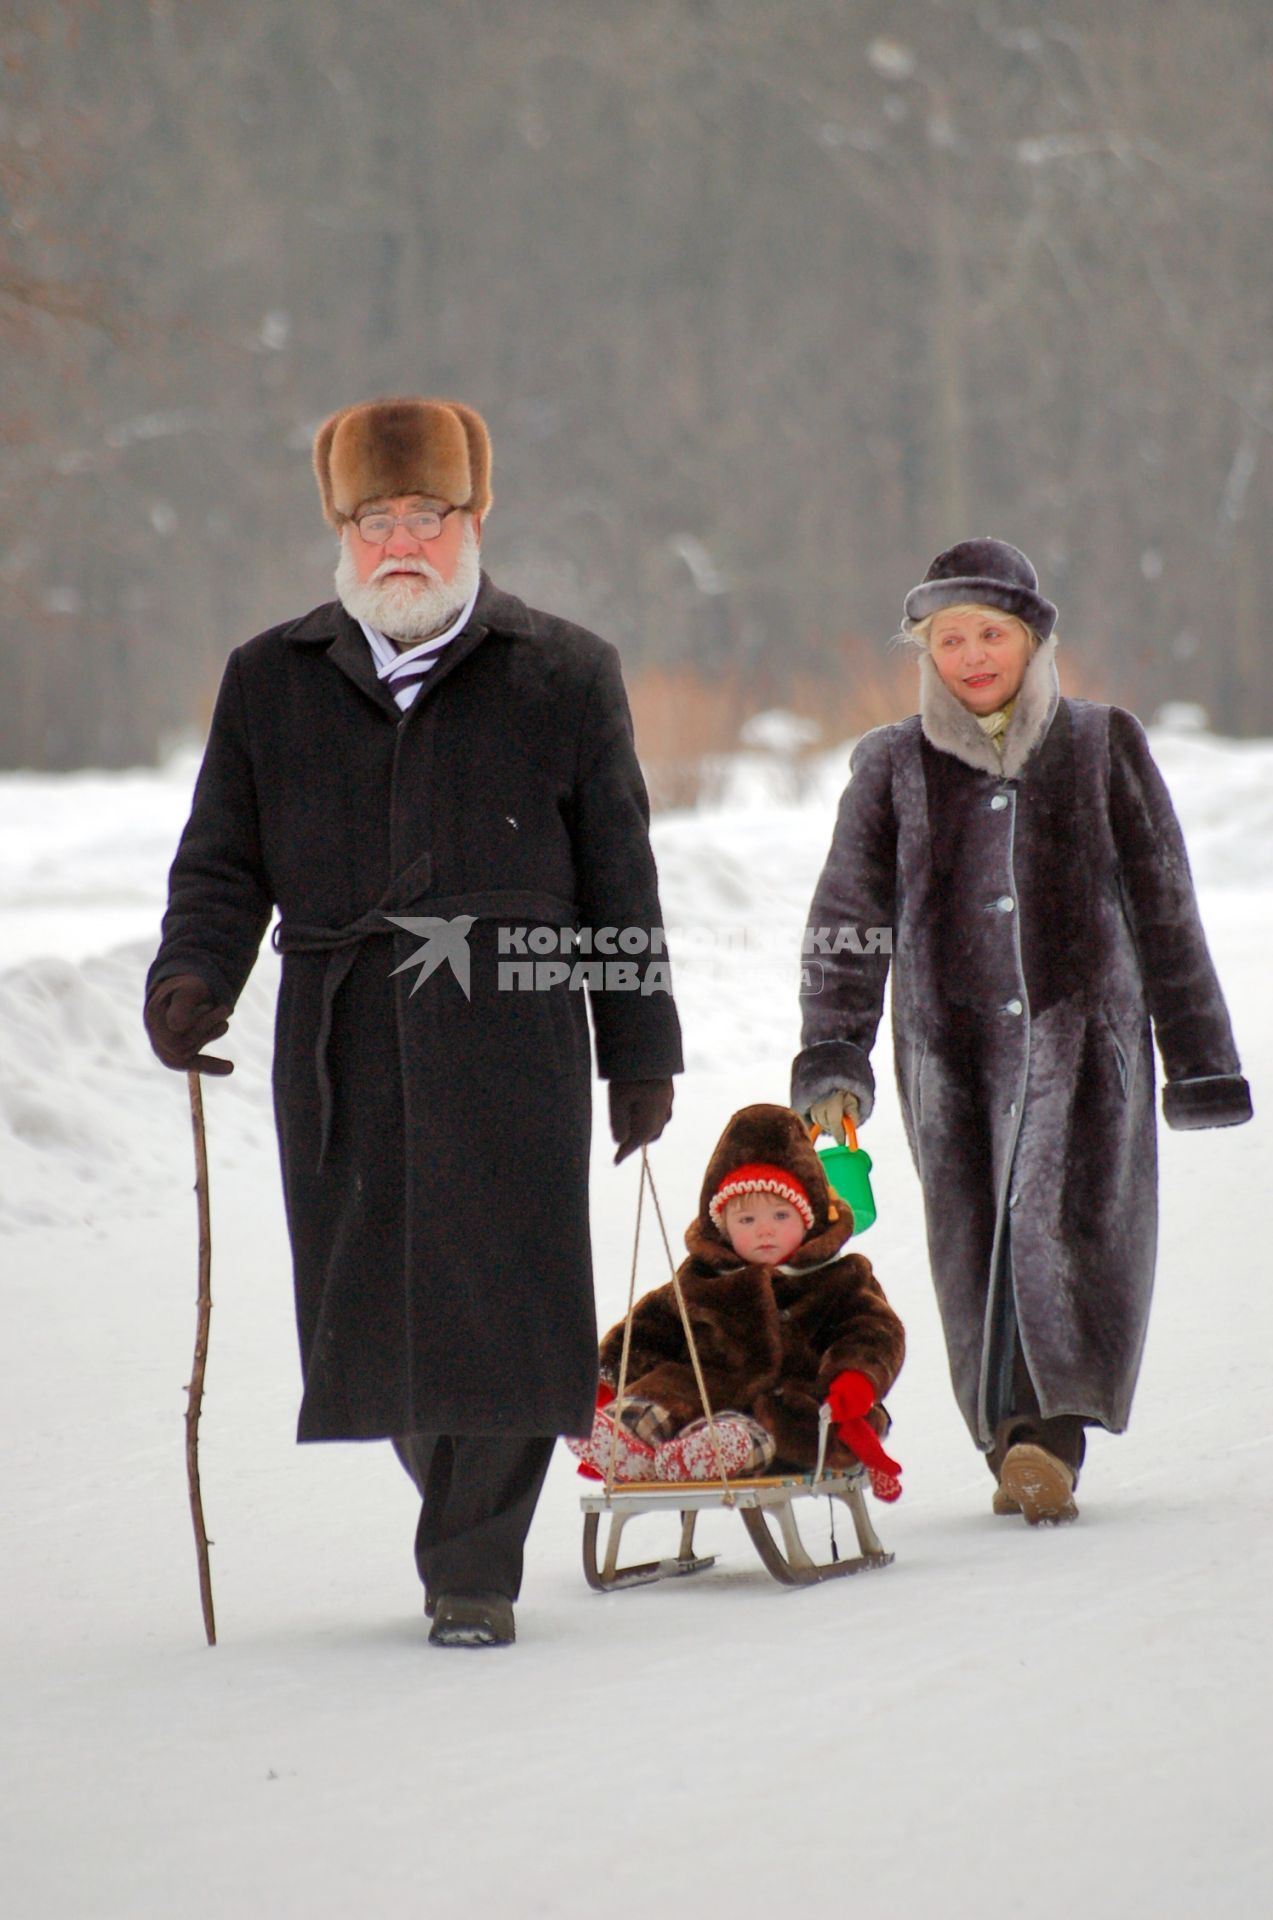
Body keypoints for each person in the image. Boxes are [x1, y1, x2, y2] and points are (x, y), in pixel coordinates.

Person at [144, 395, 683, 1647]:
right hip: (343, 1046)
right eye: (373, 518)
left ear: (474, 520)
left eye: (425, 516)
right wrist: (191, 978)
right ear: (340, 529)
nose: (400, 543)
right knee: (369, 1308)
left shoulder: (563, 670)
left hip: (515, 1042)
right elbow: (221, 862)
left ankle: (473, 1569)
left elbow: (621, 877)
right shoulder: (268, 680)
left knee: (507, 1300)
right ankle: (462, 1514)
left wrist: (639, 1050)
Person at [792, 538, 1253, 1525]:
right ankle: (1008, 1435)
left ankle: (1051, 1441)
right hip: (949, 1054)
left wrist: (1199, 1060)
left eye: (988, 633)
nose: (969, 655)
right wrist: (836, 1051)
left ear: (1033, 638)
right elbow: (846, 917)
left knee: (1070, 1238)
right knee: (977, 1248)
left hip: (1086, 1050)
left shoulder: (1101, 746)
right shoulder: (890, 766)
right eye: (948, 638)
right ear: (924, 652)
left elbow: (1165, 907)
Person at [568, 1104, 905, 1496]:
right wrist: (605, 1380)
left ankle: (697, 1458)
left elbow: (873, 1332)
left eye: (780, 1216)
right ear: (723, 1227)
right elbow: (645, 1332)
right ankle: (626, 1446)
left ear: (809, 1218)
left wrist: (855, 1378)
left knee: (735, 1435)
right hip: (696, 1396)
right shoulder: (702, 1279)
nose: (765, 1231)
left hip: (789, 1409)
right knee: (654, 1404)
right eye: (747, 1221)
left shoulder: (838, 1279)